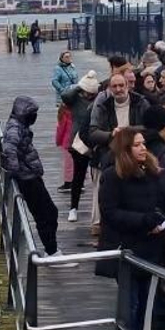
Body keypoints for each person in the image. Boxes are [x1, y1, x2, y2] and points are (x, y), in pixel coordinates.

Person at [99, 126, 165, 330]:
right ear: (126, 149)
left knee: (145, 300)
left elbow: (159, 201)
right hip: (127, 246)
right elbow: (109, 213)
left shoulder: (150, 171)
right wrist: (144, 221)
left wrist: (161, 220)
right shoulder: (112, 176)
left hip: (151, 245)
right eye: (137, 144)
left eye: (143, 144)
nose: (143, 148)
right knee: (130, 300)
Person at [1, 96, 59, 255]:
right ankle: (52, 252)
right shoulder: (15, 129)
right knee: (46, 215)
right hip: (27, 179)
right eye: (32, 113)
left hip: (31, 175)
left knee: (50, 212)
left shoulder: (19, 126)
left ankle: (51, 250)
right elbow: (8, 150)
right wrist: (17, 171)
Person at [86, 71, 139, 233]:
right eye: (114, 86)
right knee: (102, 183)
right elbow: (92, 132)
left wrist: (128, 132)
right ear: (109, 88)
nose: (118, 89)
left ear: (127, 86)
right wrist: (111, 135)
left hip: (133, 150)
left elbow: (148, 127)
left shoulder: (140, 102)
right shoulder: (102, 105)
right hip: (108, 151)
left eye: (121, 85)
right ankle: (99, 224)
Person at [59, 71, 100, 222]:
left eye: (91, 92)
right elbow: (65, 96)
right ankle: (73, 208)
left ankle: (98, 208)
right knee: (78, 175)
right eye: (87, 92)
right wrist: (79, 86)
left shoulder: (99, 99)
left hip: (95, 140)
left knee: (97, 175)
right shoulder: (75, 99)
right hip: (78, 141)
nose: (89, 95)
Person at [52, 52, 80, 188]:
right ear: (61, 58)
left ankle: (71, 181)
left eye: (70, 56)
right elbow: (54, 81)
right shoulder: (58, 69)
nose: (69, 58)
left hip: (72, 96)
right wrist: (63, 91)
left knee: (71, 158)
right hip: (65, 97)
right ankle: (76, 180)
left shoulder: (73, 67)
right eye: (66, 57)